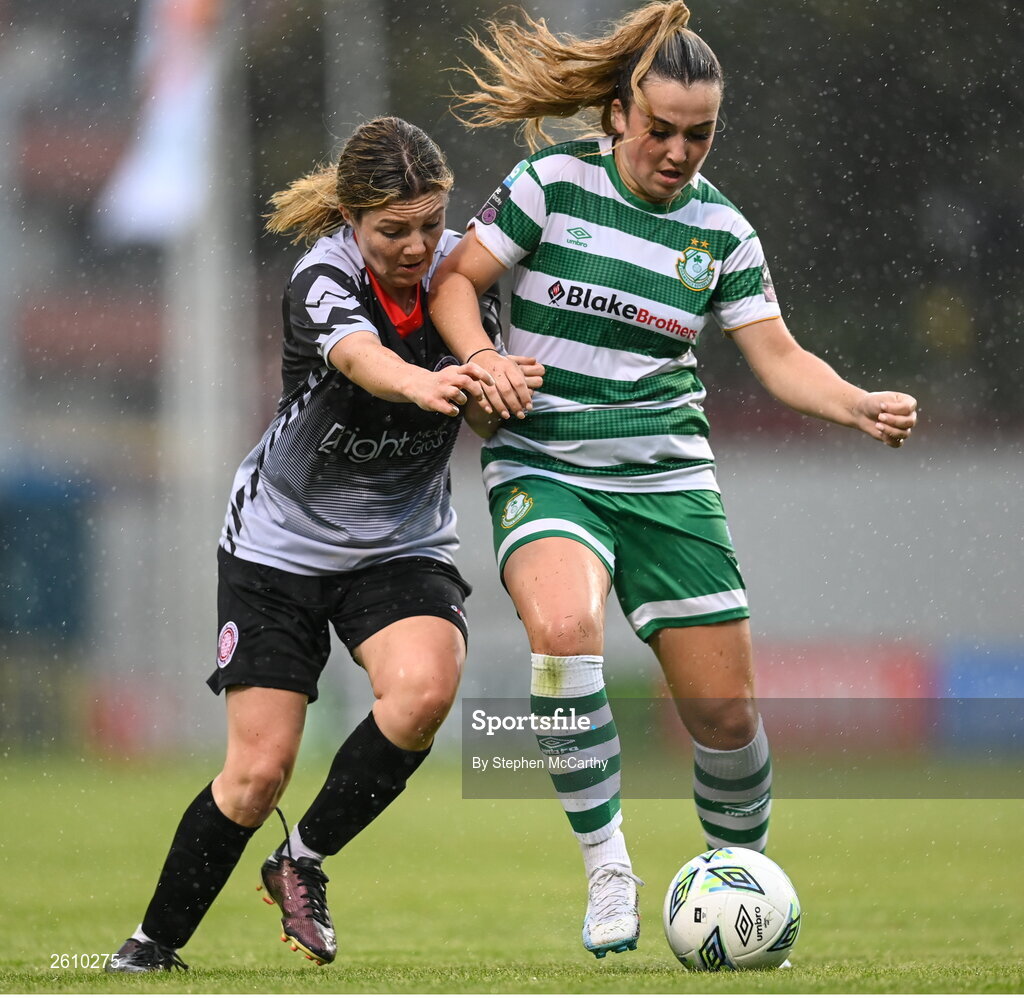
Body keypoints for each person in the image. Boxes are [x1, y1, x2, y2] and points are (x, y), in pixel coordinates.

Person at [429, 0, 918, 960]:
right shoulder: (550, 184)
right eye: (661, 129)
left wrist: (853, 401)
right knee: (563, 633)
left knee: (726, 716)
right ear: (618, 115)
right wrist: (482, 357)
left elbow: (776, 356)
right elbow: (453, 279)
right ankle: (609, 868)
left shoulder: (722, 232)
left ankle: (744, 896)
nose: (679, 151)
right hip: (547, 462)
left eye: (700, 134)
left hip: (666, 477)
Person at [105, 116, 541, 973]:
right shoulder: (322, 276)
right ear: (351, 218)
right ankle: (152, 948)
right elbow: (360, 360)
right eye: (393, 230)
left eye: (429, 223)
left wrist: (499, 390)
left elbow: (484, 408)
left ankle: (300, 859)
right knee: (257, 771)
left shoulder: (464, 274)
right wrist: (431, 384)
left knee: (423, 691)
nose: (418, 246)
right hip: (279, 549)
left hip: (398, 545)